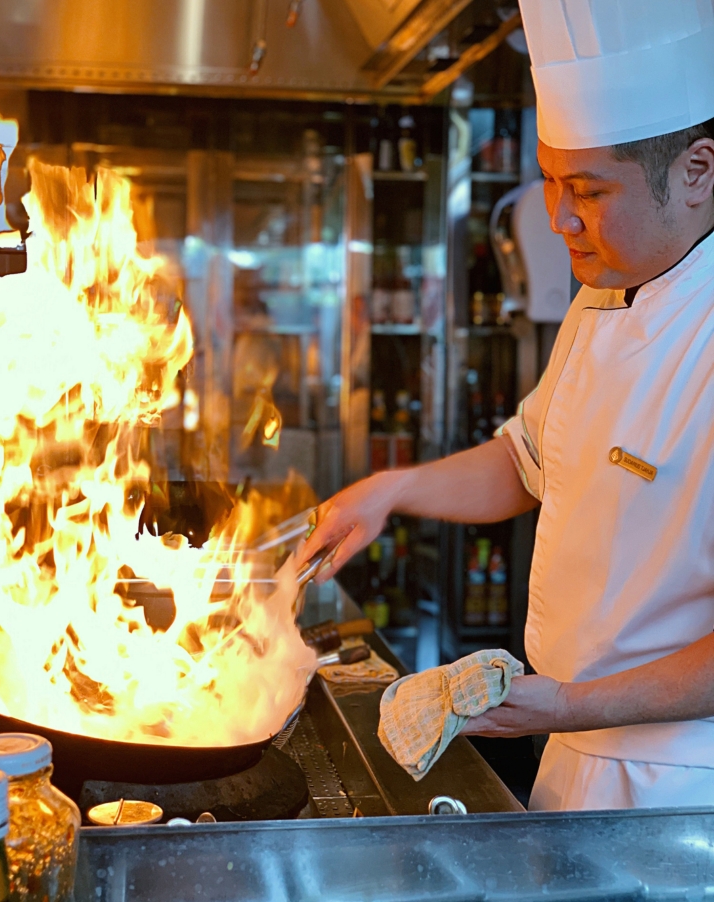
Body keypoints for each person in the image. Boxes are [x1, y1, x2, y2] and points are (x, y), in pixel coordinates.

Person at [299, 0, 714, 810]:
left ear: (698, 171)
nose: (558, 218)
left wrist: (566, 704)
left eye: (588, 190)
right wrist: (389, 492)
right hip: (570, 757)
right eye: (551, 180)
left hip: (682, 797)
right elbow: (528, 460)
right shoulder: (601, 302)